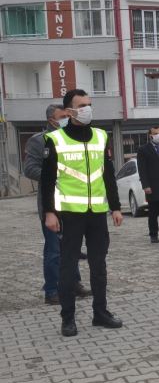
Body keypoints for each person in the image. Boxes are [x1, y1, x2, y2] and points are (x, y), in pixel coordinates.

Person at [40, 89, 124, 337]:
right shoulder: (55, 140)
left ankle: (100, 312)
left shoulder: (100, 136)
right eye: (81, 105)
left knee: (99, 266)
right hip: (70, 213)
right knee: (67, 267)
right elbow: (47, 181)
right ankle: (68, 318)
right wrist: (49, 212)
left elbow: (108, 174)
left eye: (89, 104)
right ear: (69, 111)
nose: (87, 108)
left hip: (97, 212)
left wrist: (116, 207)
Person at [23, 104, 90, 305]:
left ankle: (74, 283)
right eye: (63, 116)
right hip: (52, 203)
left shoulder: (72, 137)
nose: (67, 119)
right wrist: (55, 175)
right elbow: (29, 169)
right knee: (54, 250)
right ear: (51, 119)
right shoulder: (39, 141)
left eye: (68, 116)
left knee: (72, 246)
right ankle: (52, 290)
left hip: (73, 201)